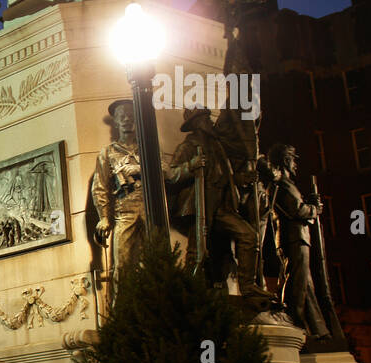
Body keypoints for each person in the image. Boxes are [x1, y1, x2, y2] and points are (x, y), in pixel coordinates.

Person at [165, 106, 271, 306]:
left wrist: (243, 179)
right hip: (201, 206)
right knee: (198, 252)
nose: (210, 122)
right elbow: (171, 176)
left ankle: (248, 287)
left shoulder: (218, 146)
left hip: (222, 205)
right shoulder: (188, 147)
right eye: (205, 119)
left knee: (249, 236)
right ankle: (188, 294)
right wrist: (191, 165)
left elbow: (225, 177)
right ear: (196, 124)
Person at [266, 143, 330, 340]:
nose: (295, 165)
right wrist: (314, 209)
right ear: (286, 160)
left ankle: (319, 329)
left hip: (297, 238)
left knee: (305, 285)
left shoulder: (284, 184)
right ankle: (291, 317)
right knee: (296, 281)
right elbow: (297, 210)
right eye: (293, 160)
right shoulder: (281, 184)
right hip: (293, 239)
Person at [91, 99, 146, 292]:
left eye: (130, 115)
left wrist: (139, 167)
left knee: (157, 261)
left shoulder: (148, 148)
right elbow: (100, 187)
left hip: (151, 210)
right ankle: (122, 315)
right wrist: (104, 217)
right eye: (121, 115)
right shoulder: (108, 153)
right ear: (115, 121)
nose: (126, 119)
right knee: (122, 266)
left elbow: (168, 173)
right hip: (124, 212)